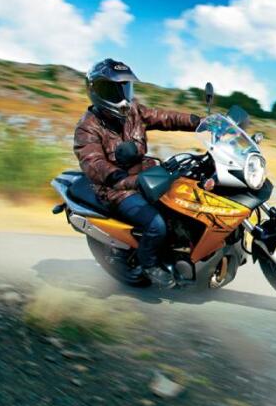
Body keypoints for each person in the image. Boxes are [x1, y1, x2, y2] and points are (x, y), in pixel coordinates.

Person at [73, 58, 200, 287]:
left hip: (146, 176)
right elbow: (94, 163)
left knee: (187, 198)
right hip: (116, 189)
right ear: (96, 91)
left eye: (125, 88)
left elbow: (164, 118)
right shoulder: (88, 127)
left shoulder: (133, 110)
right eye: (113, 90)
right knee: (156, 224)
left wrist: (198, 121)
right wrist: (121, 178)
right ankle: (149, 265)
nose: (122, 96)